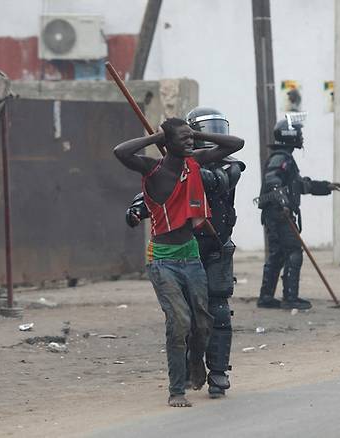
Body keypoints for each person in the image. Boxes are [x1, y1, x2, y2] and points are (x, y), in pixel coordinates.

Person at [114, 117, 244, 408]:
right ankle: (177, 390)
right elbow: (120, 152)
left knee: (203, 322)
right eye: (183, 137)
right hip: (163, 260)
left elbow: (237, 144)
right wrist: (155, 138)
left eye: (191, 137)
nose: (190, 141)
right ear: (167, 143)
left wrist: (194, 133)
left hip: (192, 255)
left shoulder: (196, 162)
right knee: (179, 322)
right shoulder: (152, 169)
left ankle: (196, 362)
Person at [256, 115, 340, 309]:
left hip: (276, 213)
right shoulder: (281, 158)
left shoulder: (285, 158)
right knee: (293, 252)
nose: (302, 137)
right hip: (279, 214)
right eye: (299, 134)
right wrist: (284, 204)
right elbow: (273, 182)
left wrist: (325, 186)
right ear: (290, 136)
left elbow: (298, 185)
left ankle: (266, 297)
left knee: (278, 254)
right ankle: (290, 298)